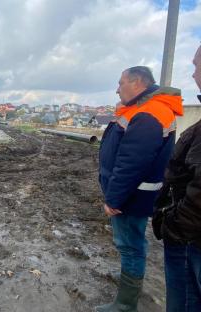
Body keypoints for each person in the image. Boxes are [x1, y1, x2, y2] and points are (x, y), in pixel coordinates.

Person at [96, 66, 183, 311]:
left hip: (131, 197)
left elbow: (131, 163)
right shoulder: (142, 109)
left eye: (120, 83)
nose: (116, 89)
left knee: (130, 245)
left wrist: (113, 199)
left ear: (137, 83)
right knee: (131, 244)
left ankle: (125, 304)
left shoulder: (149, 114)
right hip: (132, 194)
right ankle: (130, 280)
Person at [152, 45, 201, 311]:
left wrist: (170, 223)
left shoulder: (150, 118)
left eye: (196, 66)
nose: (193, 75)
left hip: (187, 237)